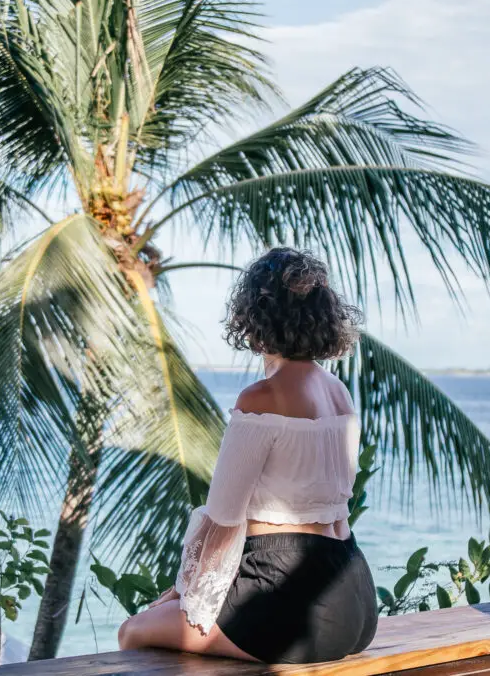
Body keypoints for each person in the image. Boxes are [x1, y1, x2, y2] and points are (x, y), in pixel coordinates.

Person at [117, 247, 378, 664]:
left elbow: (222, 519)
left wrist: (185, 596)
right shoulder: (339, 394)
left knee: (133, 632)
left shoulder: (261, 398)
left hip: (289, 599)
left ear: (255, 318)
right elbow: (335, 510)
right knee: (170, 621)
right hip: (354, 595)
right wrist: (184, 599)